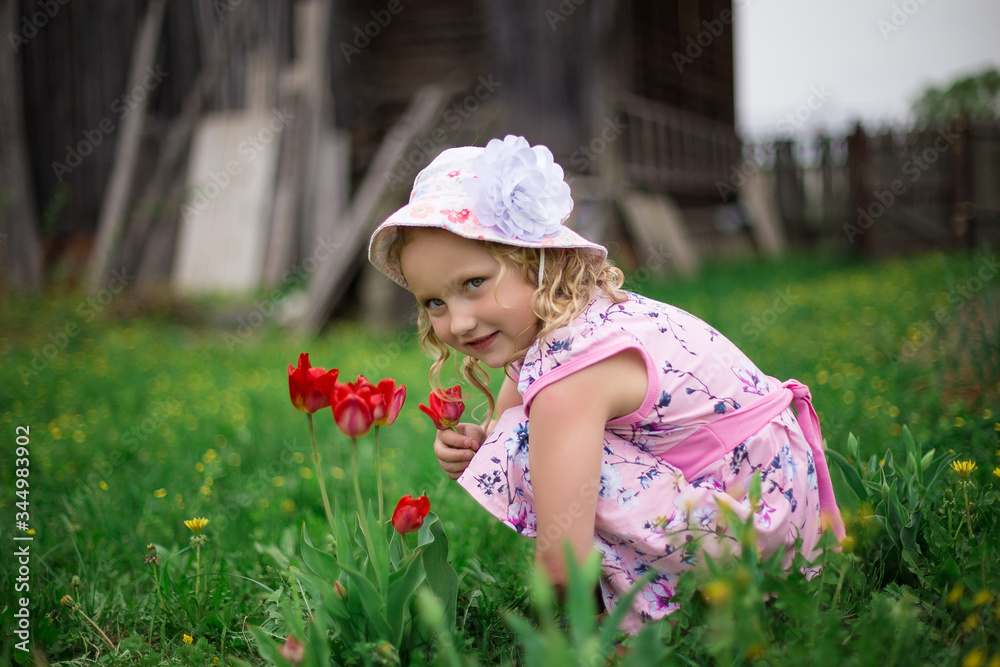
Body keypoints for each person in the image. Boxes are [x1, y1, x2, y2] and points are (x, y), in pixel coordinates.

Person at [368, 135, 845, 632]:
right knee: (523, 443)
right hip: (772, 498)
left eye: (473, 284)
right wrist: (477, 444)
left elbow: (559, 560)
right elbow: (504, 430)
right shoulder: (565, 316)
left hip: (756, 526)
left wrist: (568, 637)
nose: (459, 323)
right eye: (434, 304)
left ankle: (653, 617)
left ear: (537, 262)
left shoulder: (571, 380)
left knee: (536, 447)